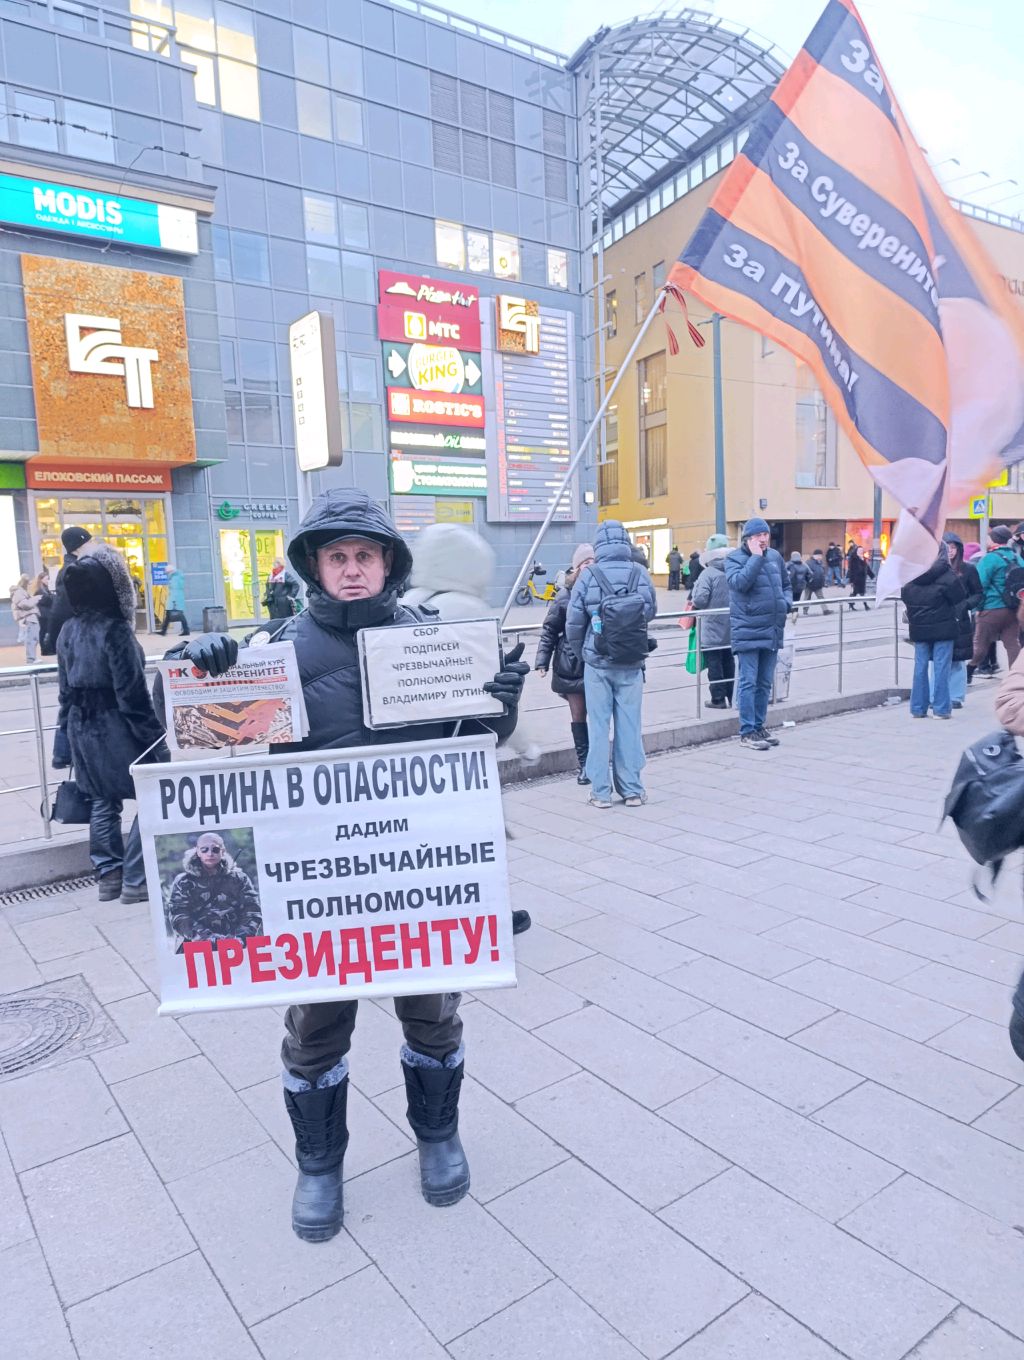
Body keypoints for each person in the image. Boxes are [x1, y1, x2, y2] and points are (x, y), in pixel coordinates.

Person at [170, 488, 528, 1243]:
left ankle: (437, 1137)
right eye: (339, 556)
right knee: (316, 1029)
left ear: (389, 564)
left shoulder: (433, 641)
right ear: (315, 566)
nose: (354, 569)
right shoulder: (273, 652)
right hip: (320, 894)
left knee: (433, 1013)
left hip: (415, 880)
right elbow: (208, 756)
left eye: (367, 555)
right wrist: (199, 673)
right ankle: (320, 1163)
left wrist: (500, 703)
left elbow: (474, 747)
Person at [57, 544, 169, 904]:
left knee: (103, 802)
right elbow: (133, 698)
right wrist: (157, 742)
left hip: (81, 727)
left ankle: (109, 877)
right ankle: (137, 879)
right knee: (152, 796)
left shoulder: (67, 631)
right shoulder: (116, 630)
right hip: (117, 728)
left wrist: (65, 740)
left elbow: (64, 691)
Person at [566, 520, 657, 808]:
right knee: (630, 725)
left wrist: (586, 653)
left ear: (599, 545)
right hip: (630, 661)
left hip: (598, 662)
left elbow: (573, 623)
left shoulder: (588, 574)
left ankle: (600, 792)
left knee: (598, 726)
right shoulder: (639, 571)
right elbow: (650, 611)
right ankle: (631, 790)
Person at [724, 516, 792, 751]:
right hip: (748, 629)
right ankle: (747, 731)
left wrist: (786, 603)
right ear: (747, 539)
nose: (763, 539)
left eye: (765, 535)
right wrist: (755, 558)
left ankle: (760, 725)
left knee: (764, 682)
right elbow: (739, 584)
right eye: (757, 536)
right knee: (748, 682)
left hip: (772, 628)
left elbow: (786, 584)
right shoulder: (734, 558)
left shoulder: (774, 557)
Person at [535, 543, 594, 780]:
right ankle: (585, 766)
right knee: (578, 716)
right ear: (576, 567)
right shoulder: (565, 595)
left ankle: (597, 763)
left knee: (599, 717)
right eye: (586, 563)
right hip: (571, 665)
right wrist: (542, 661)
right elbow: (550, 629)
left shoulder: (603, 588)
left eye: (594, 562)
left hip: (596, 664)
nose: (591, 567)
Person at [900, 548, 966, 719]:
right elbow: (960, 596)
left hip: (919, 628)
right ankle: (941, 709)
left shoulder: (912, 575)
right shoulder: (946, 574)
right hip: (944, 629)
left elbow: (905, 596)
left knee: (920, 667)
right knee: (941, 668)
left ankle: (918, 708)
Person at [166, 832, 263, 944]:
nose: (210, 853)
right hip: (195, 946)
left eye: (215, 849)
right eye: (204, 849)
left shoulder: (239, 879)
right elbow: (179, 916)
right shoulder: (184, 881)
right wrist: (208, 939)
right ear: (197, 851)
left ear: (223, 851)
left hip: (235, 945)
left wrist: (241, 938)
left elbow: (252, 910)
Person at [970, 525, 1023, 674]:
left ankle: (969, 670)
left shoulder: (989, 558)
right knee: (1012, 644)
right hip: (1013, 608)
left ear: (994, 539)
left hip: (991, 608)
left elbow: (979, 585)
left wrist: (978, 608)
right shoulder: (1016, 557)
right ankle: (1017, 676)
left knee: (980, 644)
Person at [690, 533, 733, 707]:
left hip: (712, 627)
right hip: (731, 626)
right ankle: (732, 696)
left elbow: (700, 600)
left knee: (714, 663)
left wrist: (694, 594)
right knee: (729, 661)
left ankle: (718, 699)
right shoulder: (733, 570)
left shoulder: (708, 573)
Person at [941, 532, 982, 708]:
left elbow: (979, 594)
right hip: (940, 619)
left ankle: (956, 696)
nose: (950, 551)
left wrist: (966, 605)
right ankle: (939, 694)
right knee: (939, 659)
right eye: (947, 547)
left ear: (958, 549)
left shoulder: (968, 569)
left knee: (958, 659)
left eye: (953, 547)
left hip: (960, 620)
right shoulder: (937, 568)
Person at [41, 526, 92, 657]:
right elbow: (61, 608)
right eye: (89, 542)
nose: (92, 545)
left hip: (84, 637)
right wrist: (52, 640)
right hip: (83, 638)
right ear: (78, 546)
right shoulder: (73, 571)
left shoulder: (82, 566)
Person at [10, 573, 41, 663]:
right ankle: (31, 658)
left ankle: (33, 657)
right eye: (29, 584)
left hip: (30, 617)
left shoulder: (21, 592)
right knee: (31, 639)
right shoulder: (19, 592)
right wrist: (35, 599)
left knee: (34, 638)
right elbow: (25, 605)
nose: (30, 586)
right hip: (28, 618)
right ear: (25, 583)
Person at [159, 564, 190, 636]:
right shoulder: (177, 577)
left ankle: (186, 630)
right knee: (173, 616)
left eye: (167, 573)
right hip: (177, 599)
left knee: (178, 616)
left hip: (174, 600)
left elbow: (175, 591)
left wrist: (174, 602)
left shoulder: (175, 578)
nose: (167, 575)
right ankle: (164, 631)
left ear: (170, 572)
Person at [804, 550, 832, 614]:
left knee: (821, 597)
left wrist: (824, 582)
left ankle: (825, 610)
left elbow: (822, 574)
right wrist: (808, 580)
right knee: (807, 598)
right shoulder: (809, 563)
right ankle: (805, 611)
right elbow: (805, 573)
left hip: (818, 584)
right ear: (814, 556)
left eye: (820, 555)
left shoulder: (821, 563)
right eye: (818, 555)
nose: (819, 557)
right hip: (809, 584)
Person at [846, 544, 872, 609]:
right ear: (856, 551)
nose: (861, 552)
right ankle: (865, 605)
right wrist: (851, 580)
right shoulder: (854, 559)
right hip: (856, 580)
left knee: (860, 593)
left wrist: (872, 575)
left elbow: (867, 568)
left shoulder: (864, 559)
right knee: (856, 593)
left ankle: (852, 604)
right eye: (859, 550)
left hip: (862, 579)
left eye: (862, 550)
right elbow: (851, 570)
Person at [786, 553, 810, 620]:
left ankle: (791, 611)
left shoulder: (789, 564)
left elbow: (783, 572)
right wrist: (806, 581)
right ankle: (795, 612)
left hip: (790, 585)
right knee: (797, 599)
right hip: (800, 586)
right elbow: (810, 574)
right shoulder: (804, 565)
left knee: (790, 599)